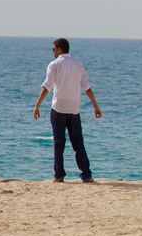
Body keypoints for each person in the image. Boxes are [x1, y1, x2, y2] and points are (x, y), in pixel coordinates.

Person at [33, 38, 101, 183]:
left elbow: (47, 86)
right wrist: (95, 105)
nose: (52, 52)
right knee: (78, 143)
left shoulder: (54, 65)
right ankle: (86, 175)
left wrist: (37, 105)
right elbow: (86, 86)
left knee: (59, 143)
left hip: (58, 108)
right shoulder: (78, 65)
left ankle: (59, 175)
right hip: (74, 109)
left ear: (60, 50)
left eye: (53, 49)